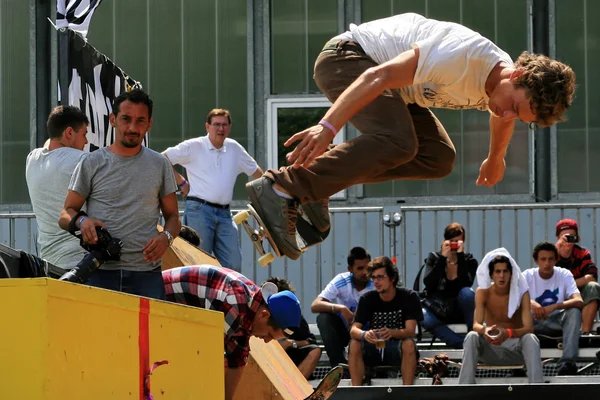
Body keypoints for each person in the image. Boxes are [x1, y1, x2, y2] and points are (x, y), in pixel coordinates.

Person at [245, 12, 576, 259]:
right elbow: (379, 75)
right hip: (348, 60)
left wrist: (495, 158)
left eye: (519, 117)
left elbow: (501, 119)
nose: (508, 115)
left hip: (395, 90)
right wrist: (327, 126)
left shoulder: (500, 87)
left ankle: (317, 186)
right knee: (399, 141)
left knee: (438, 157)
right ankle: (282, 186)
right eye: (514, 107)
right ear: (516, 75)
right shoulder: (461, 57)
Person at [58, 89, 181, 300]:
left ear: (149, 124)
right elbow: (66, 214)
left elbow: (173, 218)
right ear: (113, 119)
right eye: (126, 119)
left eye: (140, 121)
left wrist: (166, 237)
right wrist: (82, 221)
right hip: (100, 271)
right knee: (100, 334)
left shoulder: (159, 164)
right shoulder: (91, 162)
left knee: (148, 334)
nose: (133, 127)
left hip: (147, 274)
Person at [162, 265, 302, 400]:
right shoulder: (234, 303)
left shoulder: (252, 308)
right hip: (158, 298)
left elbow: (237, 361)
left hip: (178, 314)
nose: (266, 340)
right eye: (269, 335)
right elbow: (206, 359)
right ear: (264, 315)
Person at [162, 109, 263, 271]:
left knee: (233, 265)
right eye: (216, 124)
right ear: (207, 127)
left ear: (229, 127)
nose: (220, 129)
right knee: (198, 263)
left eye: (224, 125)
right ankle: (198, 297)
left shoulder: (234, 148)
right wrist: (181, 182)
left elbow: (257, 173)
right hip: (199, 210)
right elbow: (162, 159)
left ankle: (225, 297)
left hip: (225, 214)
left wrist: (269, 192)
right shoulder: (194, 146)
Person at [458, 248, 543, 384]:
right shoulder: (482, 292)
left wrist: (508, 333)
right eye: (498, 271)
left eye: (505, 271)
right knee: (471, 336)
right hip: (490, 348)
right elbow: (476, 325)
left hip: (515, 349)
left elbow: (529, 328)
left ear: (511, 273)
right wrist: (485, 330)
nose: (502, 276)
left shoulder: (522, 293)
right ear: (491, 274)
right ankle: (464, 388)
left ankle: (537, 388)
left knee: (531, 339)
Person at [26, 106, 89, 271]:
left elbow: (50, 143)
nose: (86, 142)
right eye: (84, 134)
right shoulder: (83, 160)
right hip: (82, 263)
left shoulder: (32, 159)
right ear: (69, 133)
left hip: (49, 264)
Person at [348, 256, 422, 386]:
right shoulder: (367, 298)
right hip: (374, 347)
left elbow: (410, 331)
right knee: (354, 343)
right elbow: (353, 330)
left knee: (409, 344)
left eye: (381, 277)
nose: (376, 281)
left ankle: (407, 392)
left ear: (392, 278)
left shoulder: (409, 297)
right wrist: (365, 334)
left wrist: (392, 333)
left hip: (396, 347)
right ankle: (356, 392)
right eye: (374, 277)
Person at [523, 241, 583, 376]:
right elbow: (512, 299)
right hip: (533, 322)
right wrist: (531, 303)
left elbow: (579, 301)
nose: (547, 263)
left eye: (550, 259)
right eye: (543, 259)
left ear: (556, 260)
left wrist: (556, 306)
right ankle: (520, 364)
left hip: (557, 321)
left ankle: (568, 363)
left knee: (574, 311)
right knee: (519, 312)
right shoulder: (527, 275)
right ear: (536, 261)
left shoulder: (564, 274)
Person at [310, 246, 374, 369]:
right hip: (345, 331)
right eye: (360, 268)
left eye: (368, 267)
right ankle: (339, 366)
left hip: (368, 331)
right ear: (350, 269)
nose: (366, 272)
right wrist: (341, 308)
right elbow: (315, 305)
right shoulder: (342, 280)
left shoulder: (376, 282)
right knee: (323, 319)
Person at [421, 222, 478, 348]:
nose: (454, 245)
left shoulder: (469, 261)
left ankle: (473, 334)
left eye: (458, 241)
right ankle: (461, 344)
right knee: (423, 315)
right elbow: (429, 284)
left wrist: (460, 257)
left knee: (468, 292)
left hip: (459, 309)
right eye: (451, 241)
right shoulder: (434, 258)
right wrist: (442, 259)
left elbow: (466, 283)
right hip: (438, 308)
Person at [266, 277, 321, 379]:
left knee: (315, 350)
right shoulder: (261, 315)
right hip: (266, 359)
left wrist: (291, 344)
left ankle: (295, 385)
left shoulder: (294, 317)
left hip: (290, 358)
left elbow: (310, 341)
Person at [555, 219, 600, 334]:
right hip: (556, 295)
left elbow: (592, 277)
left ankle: (585, 333)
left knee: (593, 287)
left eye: (572, 236)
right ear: (558, 238)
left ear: (577, 238)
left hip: (578, 294)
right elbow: (546, 277)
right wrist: (557, 251)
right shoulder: (551, 254)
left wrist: (569, 286)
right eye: (564, 237)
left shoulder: (582, 253)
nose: (568, 240)